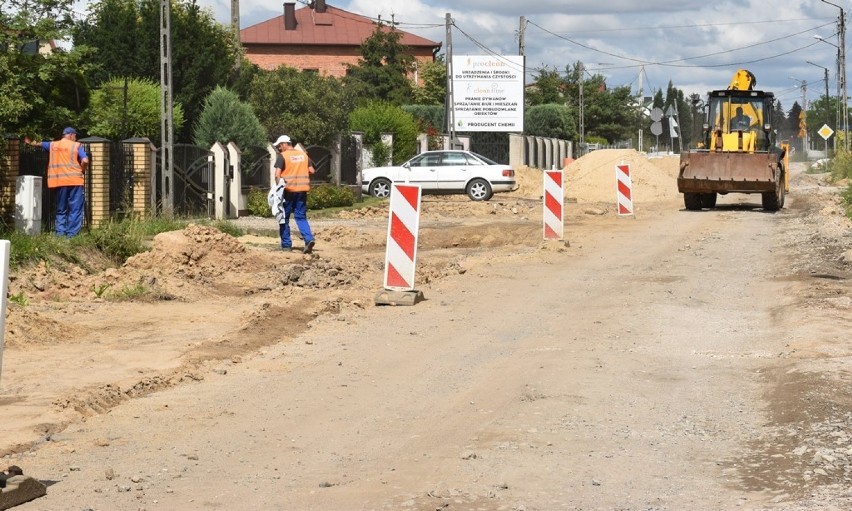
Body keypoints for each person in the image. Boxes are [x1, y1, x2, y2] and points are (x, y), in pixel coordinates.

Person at [24, 127, 89, 237]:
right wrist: (82, 169)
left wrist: (27, 140)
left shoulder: (53, 145)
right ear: (71, 135)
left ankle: (60, 234)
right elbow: (85, 160)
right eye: (75, 136)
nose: (76, 138)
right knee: (75, 209)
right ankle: (71, 235)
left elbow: (37, 143)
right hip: (75, 181)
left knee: (61, 209)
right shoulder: (76, 145)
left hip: (59, 182)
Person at [273, 135, 316, 253]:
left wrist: (277, 188)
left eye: (280, 146)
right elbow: (312, 170)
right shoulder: (303, 155)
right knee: (301, 217)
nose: (280, 149)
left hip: (288, 191)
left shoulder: (283, 156)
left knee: (284, 218)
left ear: (284, 144)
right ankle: (309, 239)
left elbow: (277, 174)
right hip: (302, 191)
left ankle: (286, 245)